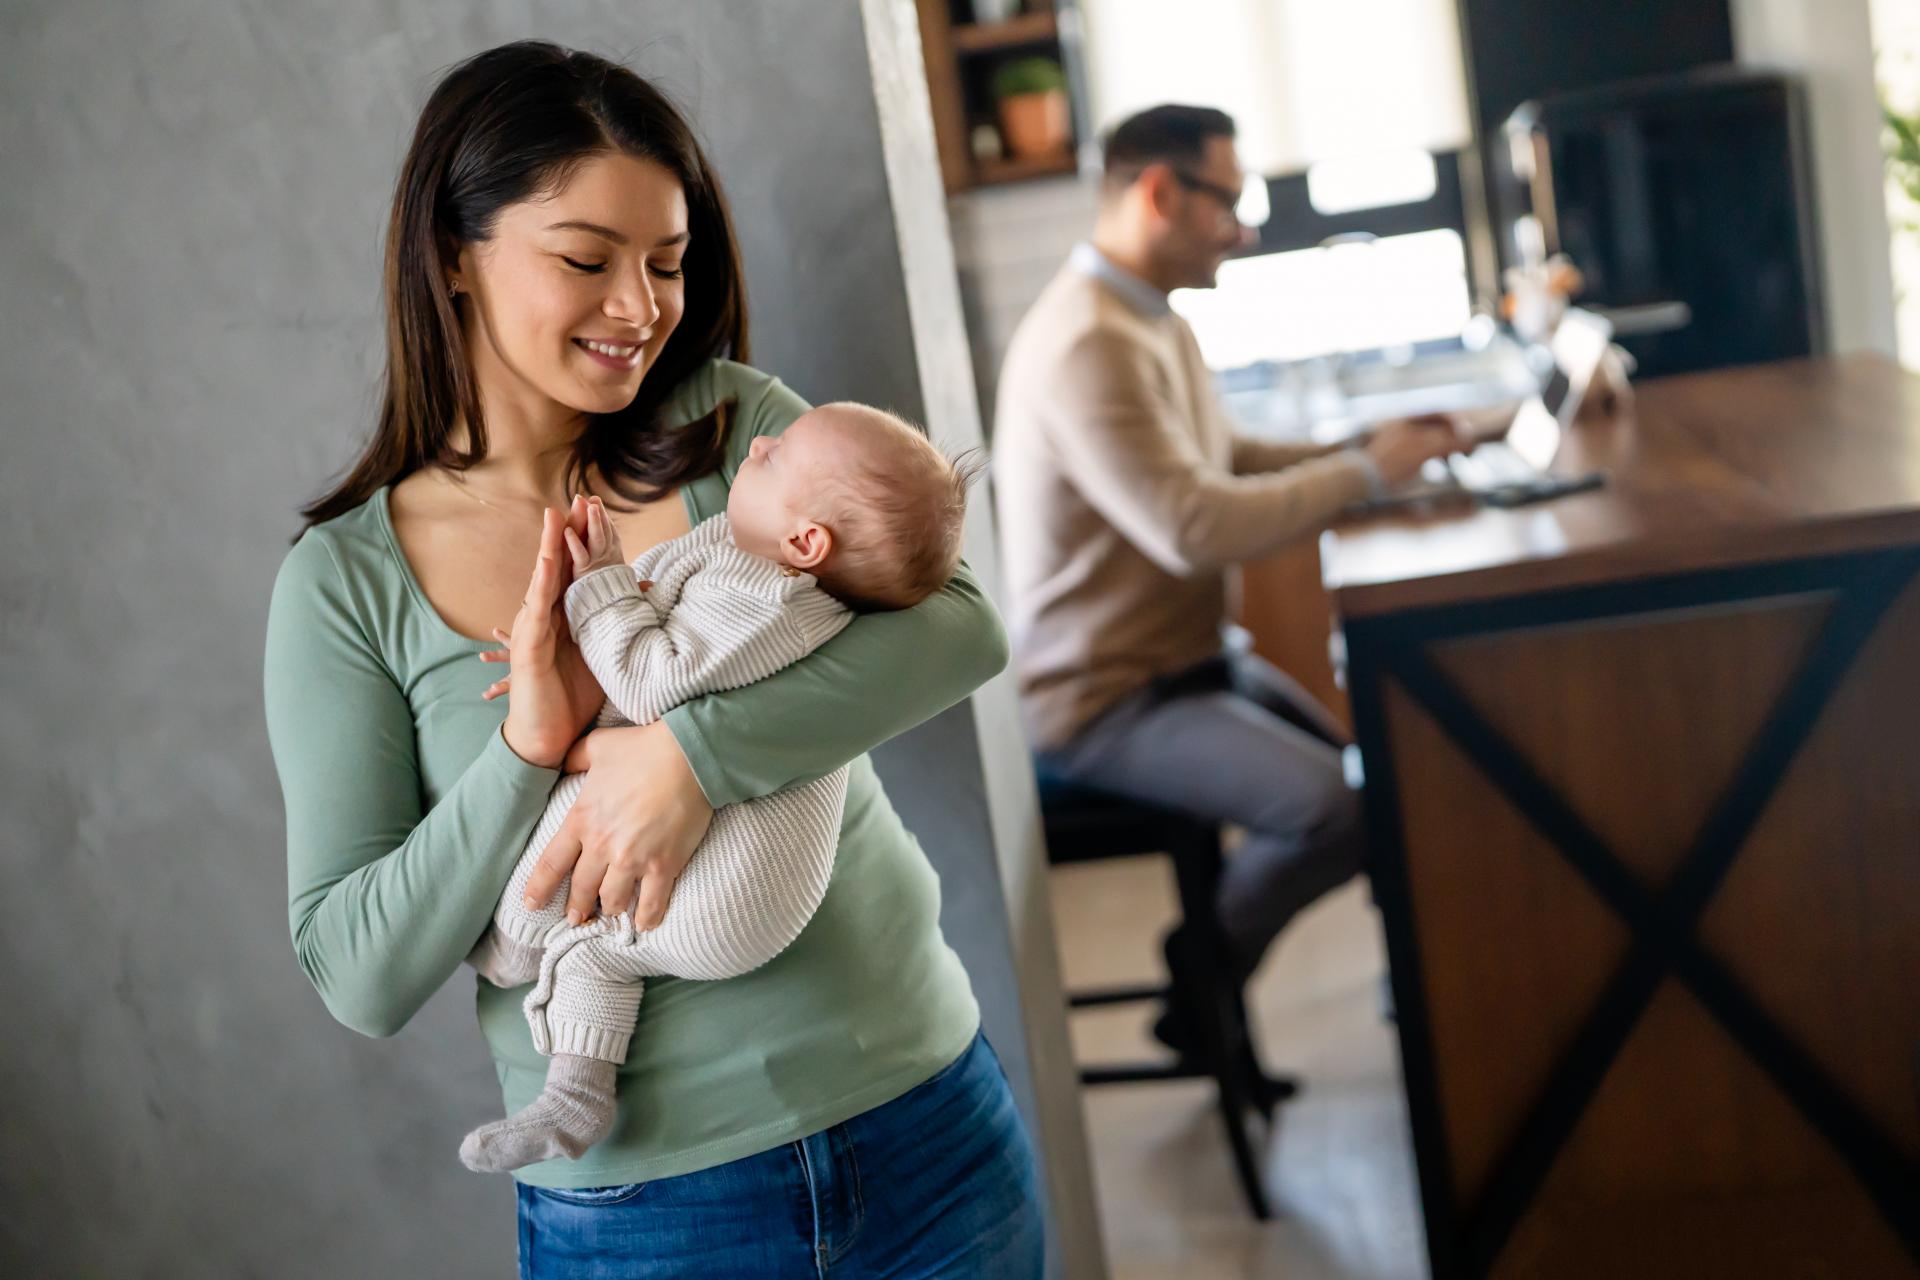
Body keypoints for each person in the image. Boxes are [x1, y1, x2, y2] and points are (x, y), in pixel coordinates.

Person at [262, 41, 1043, 1277]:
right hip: (647, 1219)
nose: (642, 306)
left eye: (667, 264)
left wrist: (689, 758)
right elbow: (360, 971)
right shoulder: (347, 585)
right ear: (452, 255)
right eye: (587, 259)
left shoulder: (734, 432)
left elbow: (964, 627)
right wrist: (529, 747)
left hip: (926, 1128)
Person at [991, 104, 1463, 1056]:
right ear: (1160, 194)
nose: (1245, 230)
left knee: (1384, 774)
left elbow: (1225, 453)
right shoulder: (1090, 343)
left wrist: (1363, 451)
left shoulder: (1148, 318)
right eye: (1230, 204)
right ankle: (1200, 967)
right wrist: (1365, 477)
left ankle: (1252, 981)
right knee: (1341, 808)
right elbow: (1192, 526)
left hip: (1191, 659)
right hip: (1104, 696)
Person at [458, 407, 979, 1174]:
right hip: (750, 904)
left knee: (577, 891)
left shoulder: (768, 597)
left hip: (735, 894)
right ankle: (576, 1095)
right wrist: (569, 650)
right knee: (605, 954)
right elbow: (666, 629)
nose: (760, 442)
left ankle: (510, 940)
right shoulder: (755, 563)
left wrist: (600, 583)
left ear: (806, 543)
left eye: (776, 458)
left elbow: (650, 683)